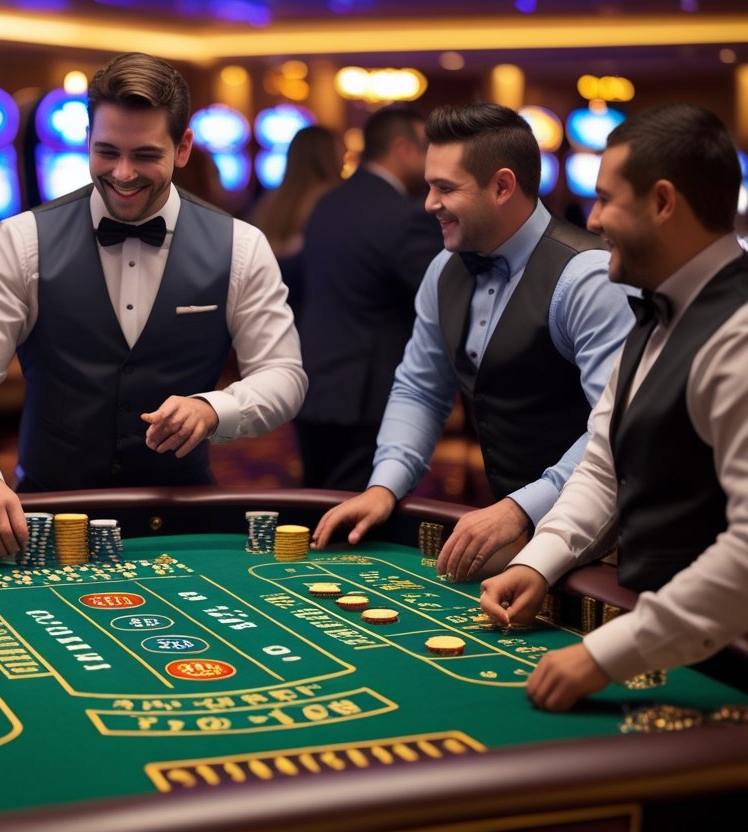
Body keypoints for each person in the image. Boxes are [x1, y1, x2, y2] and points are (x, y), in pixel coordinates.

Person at [0, 51, 306, 558]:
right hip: (46, 514)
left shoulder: (242, 245)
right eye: (106, 151)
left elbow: (284, 375)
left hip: (184, 516)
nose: (123, 173)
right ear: (86, 140)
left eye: (145, 155)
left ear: (183, 148)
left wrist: (213, 409)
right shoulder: (20, 241)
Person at [479, 104, 748, 712]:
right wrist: (539, 561)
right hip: (669, 644)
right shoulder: (652, 310)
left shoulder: (738, 333)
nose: (593, 220)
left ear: (662, 202)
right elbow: (604, 465)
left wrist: (607, 653)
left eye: (606, 199)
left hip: (731, 666)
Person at [312, 103, 636, 581]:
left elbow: (614, 428)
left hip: (608, 538)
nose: (428, 203)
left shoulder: (587, 277)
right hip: (513, 525)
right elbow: (420, 388)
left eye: (445, 188)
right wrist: (384, 487)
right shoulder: (443, 269)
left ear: (502, 186)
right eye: (428, 186)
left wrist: (521, 508)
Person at [294, 105, 441, 491]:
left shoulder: (327, 202)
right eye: (425, 148)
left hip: (313, 384)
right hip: (364, 393)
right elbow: (439, 298)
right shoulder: (403, 215)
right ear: (403, 148)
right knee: (357, 519)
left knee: (317, 502)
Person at [246, 124, 342, 260]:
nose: (344, 157)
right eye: (341, 149)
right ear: (329, 155)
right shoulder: (332, 198)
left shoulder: (270, 200)